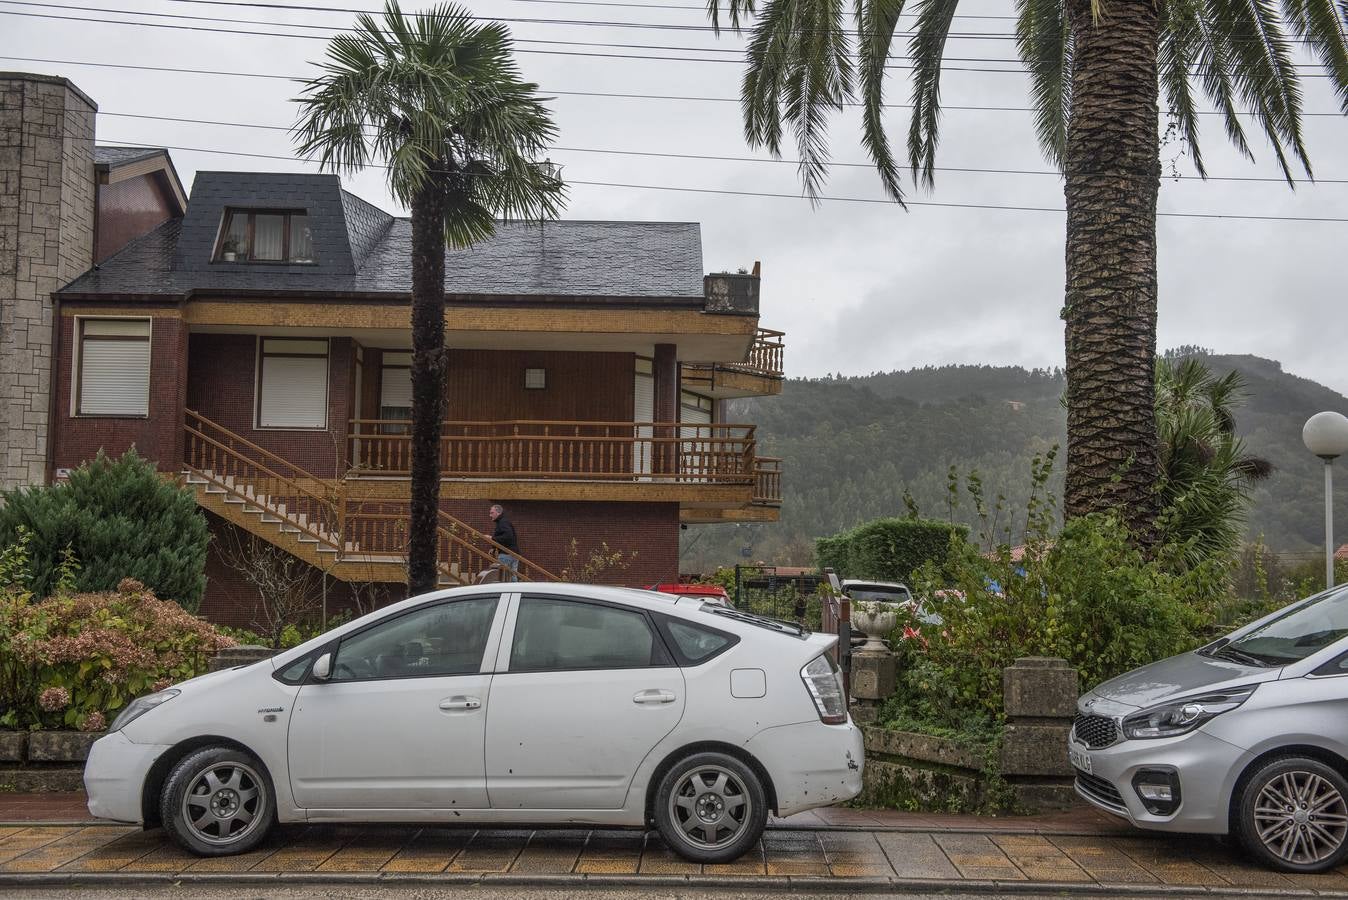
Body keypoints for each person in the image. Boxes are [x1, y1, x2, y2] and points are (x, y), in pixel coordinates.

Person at [489, 504, 520, 582]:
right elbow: (504, 537)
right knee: (512, 576)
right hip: (513, 553)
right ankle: (514, 591)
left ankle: (507, 592)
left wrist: (491, 538)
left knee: (504, 577)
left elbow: (508, 536)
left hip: (506, 554)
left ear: (498, 512)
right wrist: (493, 548)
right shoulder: (503, 521)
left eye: (492, 513)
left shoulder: (503, 522)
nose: (490, 515)